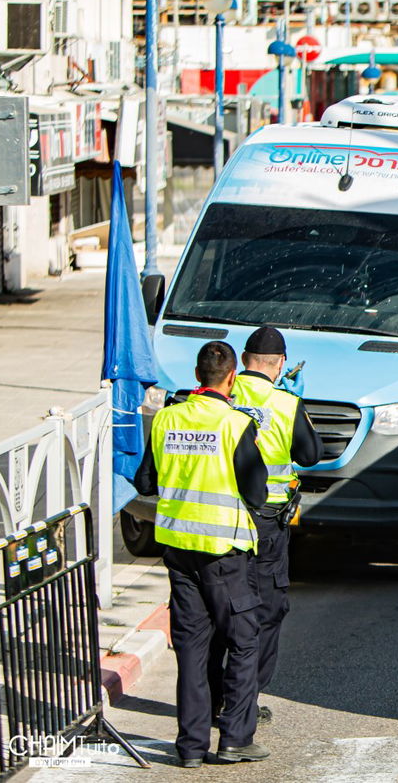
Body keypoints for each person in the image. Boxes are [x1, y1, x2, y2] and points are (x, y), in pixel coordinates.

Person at [134, 340, 269, 767]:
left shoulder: (166, 418)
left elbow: (145, 482)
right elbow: (257, 492)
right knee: (244, 641)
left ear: (197, 376)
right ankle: (235, 739)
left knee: (191, 648)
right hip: (223, 552)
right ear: (232, 378)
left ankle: (191, 747)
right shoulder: (235, 423)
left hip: (178, 549)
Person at [213, 326, 321, 726]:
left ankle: (214, 698)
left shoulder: (224, 393)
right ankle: (244, 701)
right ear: (281, 364)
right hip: (266, 525)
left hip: (220, 517)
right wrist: (297, 406)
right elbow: (310, 455)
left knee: (220, 610)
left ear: (243, 361)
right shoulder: (285, 402)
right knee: (266, 611)